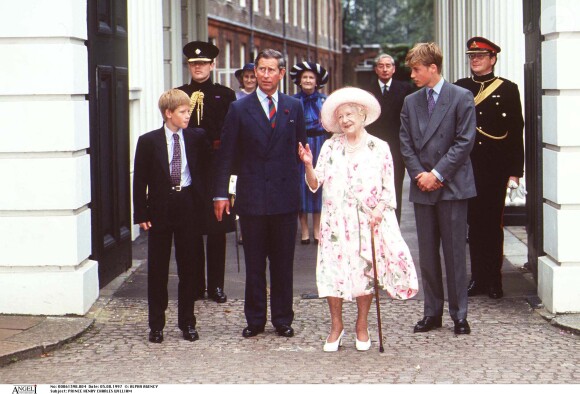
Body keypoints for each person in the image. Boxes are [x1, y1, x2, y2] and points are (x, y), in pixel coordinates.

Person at [298, 87, 418, 352]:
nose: (345, 120)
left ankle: (362, 326)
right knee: (333, 272)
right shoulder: (330, 146)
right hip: (335, 224)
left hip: (366, 222)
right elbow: (314, 184)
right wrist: (307, 164)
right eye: (340, 116)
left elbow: (389, 190)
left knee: (364, 273)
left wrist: (379, 211)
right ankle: (336, 326)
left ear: (362, 115)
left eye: (349, 114)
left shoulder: (380, 148)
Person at [213, 49, 306, 338]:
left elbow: (301, 151)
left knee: (282, 264)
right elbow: (226, 155)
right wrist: (220, 193)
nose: (265, 75)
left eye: (271, 70)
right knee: (254, 264)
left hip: (284, 199)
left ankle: (282, 318)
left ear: (281, 73)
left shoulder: (294, 107)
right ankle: (255, 320)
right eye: (260, 69)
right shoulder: (240, 109)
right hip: (252, 198)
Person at [399, 42, 477, 335]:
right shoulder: (411, 101)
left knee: (455, 253)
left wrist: (437, 173)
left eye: (417, 69)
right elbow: (405, 143)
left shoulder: (461, 97)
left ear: (433, 68)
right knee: (428, 254)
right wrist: (420, 174)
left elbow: (464, 141)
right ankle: (432, 312)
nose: (413, 75)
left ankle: (460, 314)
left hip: (452, 185)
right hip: (423, 186)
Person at [133, 89, 207, 343]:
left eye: (188, 111)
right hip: (160, 207)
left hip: (187, 203)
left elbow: (205, 171)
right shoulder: (148, 141)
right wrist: (140, 212)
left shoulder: (196, 138)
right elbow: (139, 179)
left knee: (189, 267)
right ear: (168, 114)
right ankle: (156, 325)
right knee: (158, 268)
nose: (188, 116)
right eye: (183, 112)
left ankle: (187, 322)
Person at [455, 37, 525, 299]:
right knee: (474, 225)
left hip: (495, 168)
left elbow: (516, 131)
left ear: (492, 59)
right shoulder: (460, 87)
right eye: (472, 56)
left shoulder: (508, 89)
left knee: (493, 225)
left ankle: (495, 280)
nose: (475, 60)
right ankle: (478, 279)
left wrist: (515, 170)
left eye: (480, 56)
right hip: (468, 166)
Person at [176, 41, 237, 304]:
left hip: (215, 167)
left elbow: (232, 135)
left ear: (212, 66)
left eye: (202, 63)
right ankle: (196, 284)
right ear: (188, 66)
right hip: (189, 168)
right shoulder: (178, 94)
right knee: (191, 229)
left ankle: (216, 286)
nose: (198, 67)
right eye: (193, 64)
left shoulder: (225, 95)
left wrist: (231, 176)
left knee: (216, 229)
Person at [364, 54, 414, 224]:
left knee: (394, 189)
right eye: (381, 66)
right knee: (373, 188)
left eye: (388, 66)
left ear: (394, 69)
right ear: (375, 69)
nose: (385, 69)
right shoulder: (367, 91)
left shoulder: (405, 89)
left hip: (396, 148)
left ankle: (394, 226)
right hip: (372, 149)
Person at [289, 61, 330, 244]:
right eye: (304, 77)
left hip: (320, 144)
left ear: (317, 81)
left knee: (319, 183)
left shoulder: (325, 101)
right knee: (301, 185)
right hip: (301, 146)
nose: (307, 80)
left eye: (311, 77)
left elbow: (331, 125)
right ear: (299, 80)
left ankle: (317, 229)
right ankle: (304, 229)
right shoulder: (292, 101)